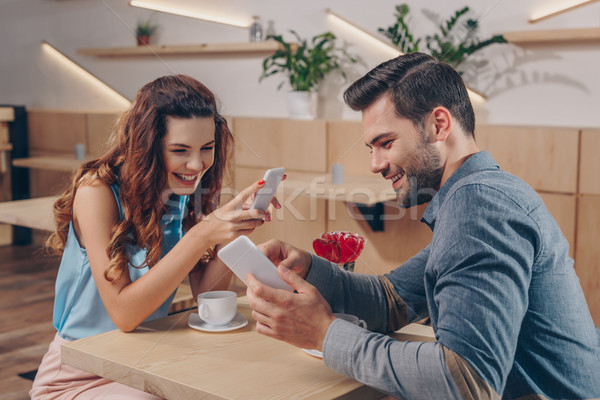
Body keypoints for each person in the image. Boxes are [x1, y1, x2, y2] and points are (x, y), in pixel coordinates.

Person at [246, 53, 600, 399]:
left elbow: (468, 382)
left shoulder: (480, 204)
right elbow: (391, 299)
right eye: (372, 147)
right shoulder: (478, 194)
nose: (375, 164)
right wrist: (310, 269)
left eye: (386, 143)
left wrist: (325, 334)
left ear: (438, 125)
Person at [30, 75, 280, 399]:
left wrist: (231, 226)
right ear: (147, 146)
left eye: (207, 148)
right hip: (78, 373)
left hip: (144, 361)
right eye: (180, 150)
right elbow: (124, 314)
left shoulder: (183, 188)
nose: (196, 164)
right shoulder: (97, 191)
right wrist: (204, 233)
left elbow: (206, 292)